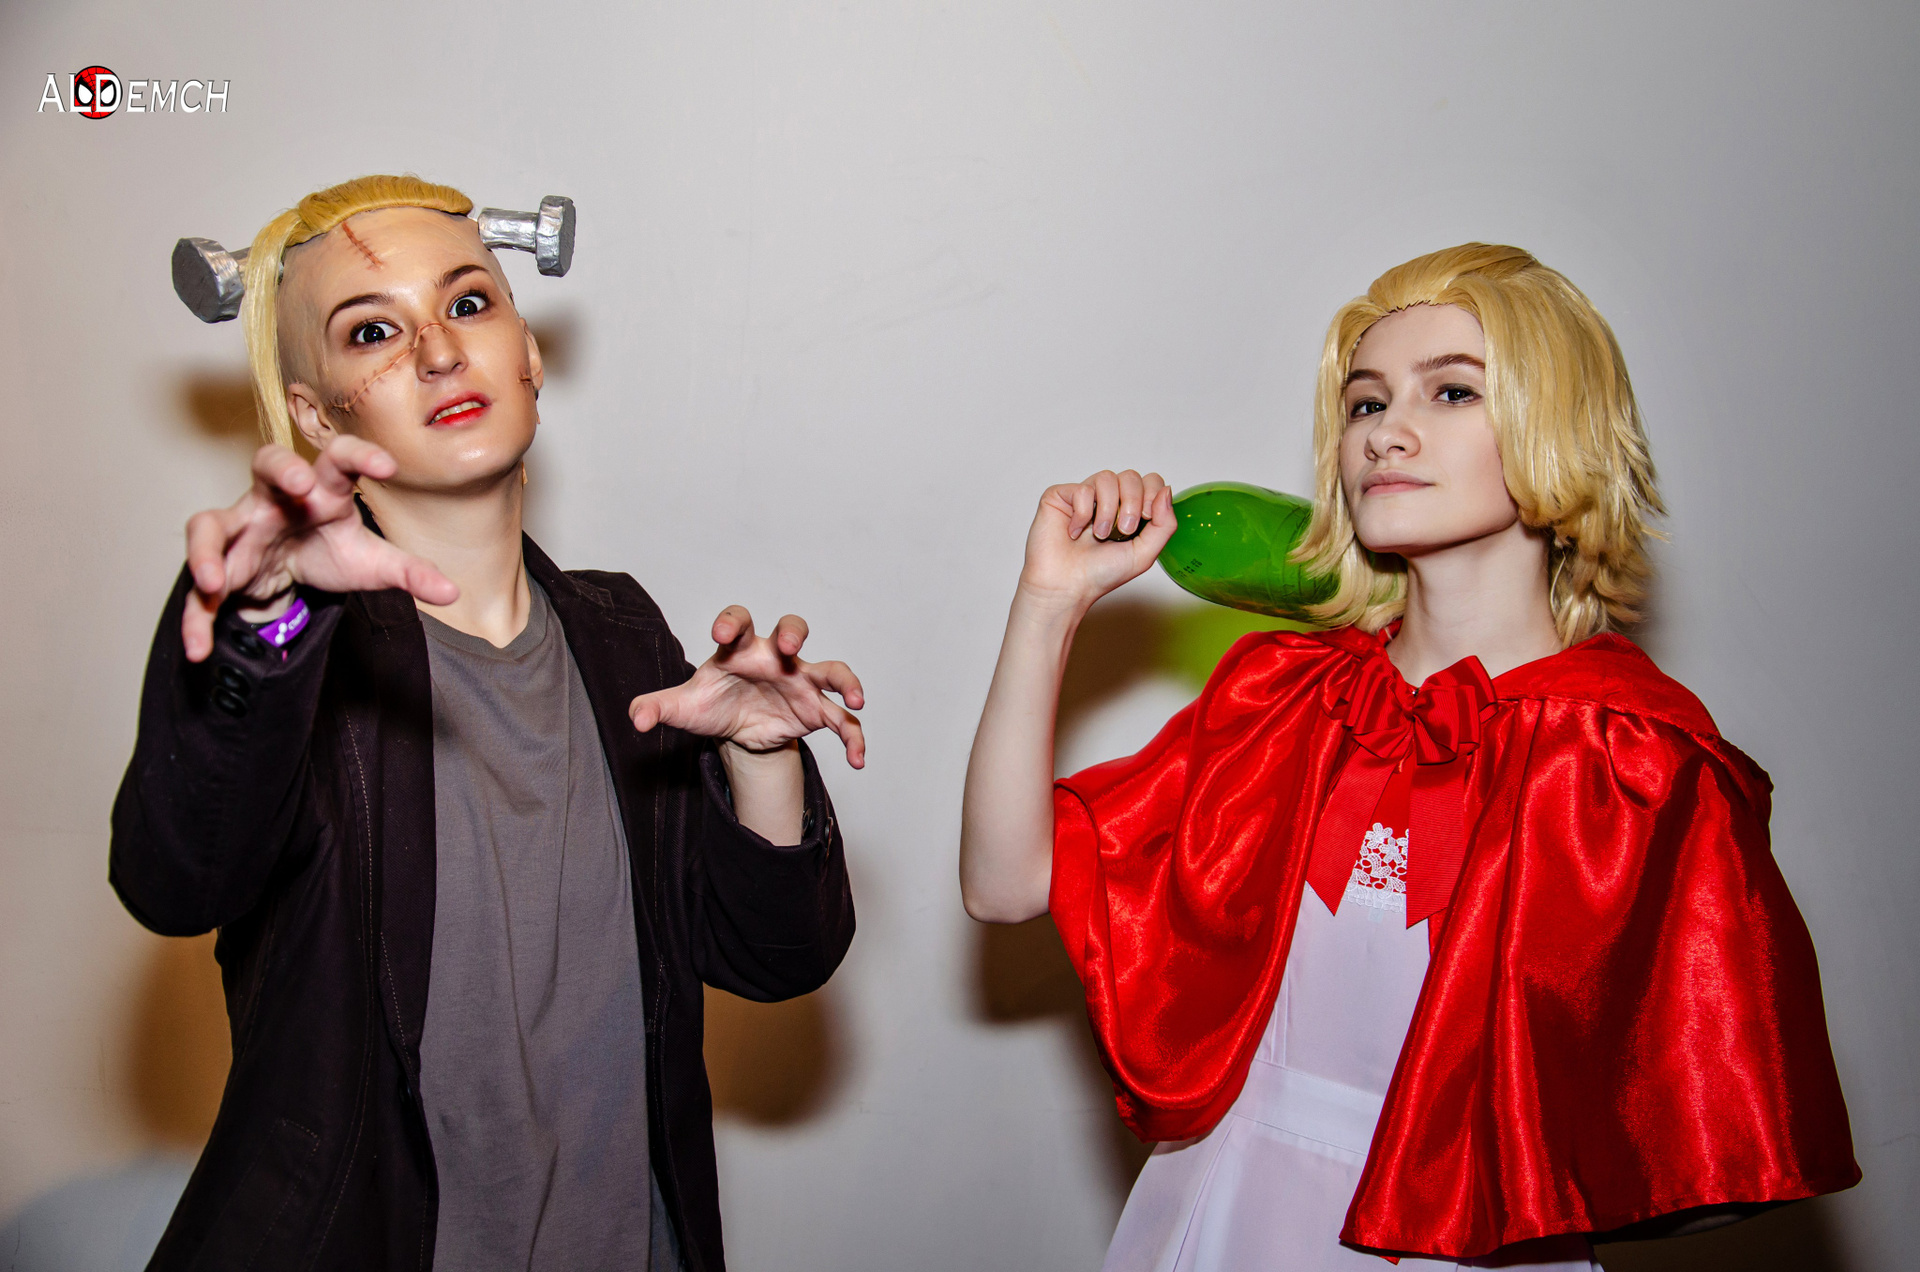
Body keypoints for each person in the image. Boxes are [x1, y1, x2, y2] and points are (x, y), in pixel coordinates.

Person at [959, 244, 1858, 1269]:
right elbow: (1004, 885)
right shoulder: (1280, 698)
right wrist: (1048, 604)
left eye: (1453, 391)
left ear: (1557, 424)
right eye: (1366, 403)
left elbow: (1712, 1129)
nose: (1387, 431)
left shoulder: (1633, 760)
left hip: (1472, 1243)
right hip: (1218, 1214)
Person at [112, 175, 863, 1272]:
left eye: (468, 304)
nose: (437, 351)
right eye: (373, 331)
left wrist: (764, 758)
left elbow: (777, 958)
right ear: (317, 416)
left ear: (529, 356)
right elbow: (174, 879)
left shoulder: (621, 633)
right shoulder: (290, 651)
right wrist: (269, 626)